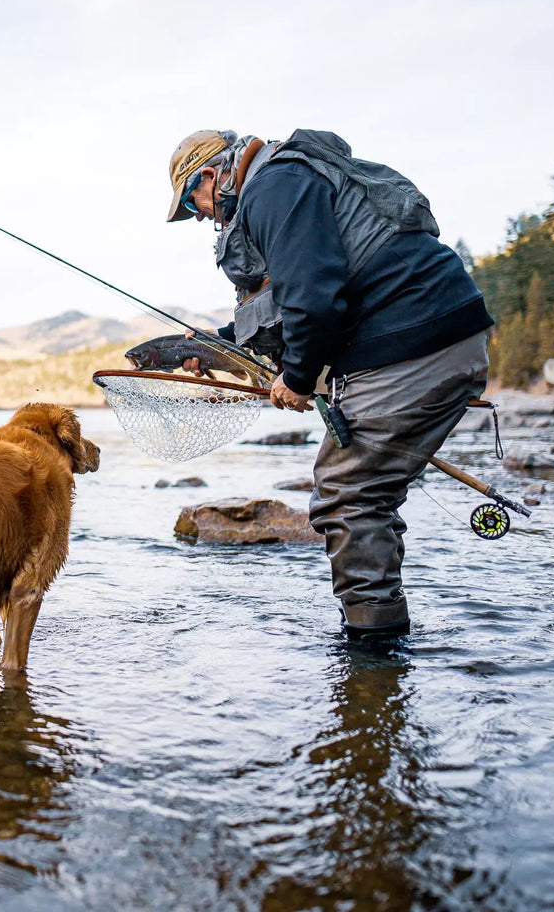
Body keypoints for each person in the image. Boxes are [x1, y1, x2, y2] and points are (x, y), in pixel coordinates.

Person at [164, 129, 494, 641]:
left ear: (211, 176)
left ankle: (373, 656)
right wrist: (218, 344)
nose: (203, 216)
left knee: (348, 496)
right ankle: (381, 645)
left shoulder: (273, 186)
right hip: (431, 338)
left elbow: (314, 300)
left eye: (194, 203)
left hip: (413, 344)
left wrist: (297, 380)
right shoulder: (286, 179)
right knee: (366, 495)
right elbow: (294, 301)